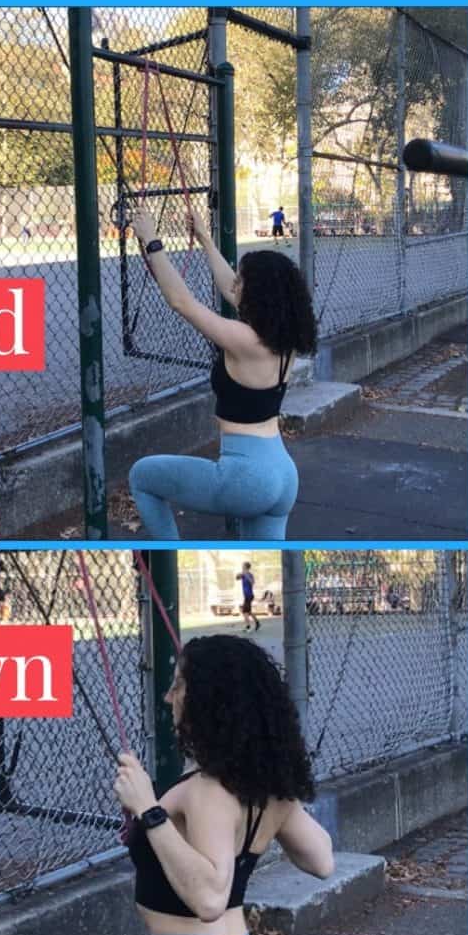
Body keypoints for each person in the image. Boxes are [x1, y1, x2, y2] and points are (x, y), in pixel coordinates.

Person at [5, 634, 334, 935]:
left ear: (210, 700)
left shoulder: (207, 791)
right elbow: (321, 859)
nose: (168, 696)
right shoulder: (264, 789)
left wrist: (149, 808)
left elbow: (210, 899)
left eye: (178, 684)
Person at [128, 205, 317, 540]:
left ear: (258, 294)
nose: (235, 284)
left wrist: (151, 241)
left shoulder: (244, 340)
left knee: (142, 476)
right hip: (282, 472)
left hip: (247, 475)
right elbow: (231, 288)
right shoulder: (282, 339)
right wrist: (205, 239)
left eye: (242, 280)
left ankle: (170, 560)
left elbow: (181, 302)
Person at [236, 561, 260, 631]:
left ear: (246, 567)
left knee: (244, 611)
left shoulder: (249, 574)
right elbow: (237, 578)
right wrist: (239, 575)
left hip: (249, 595)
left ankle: (248, 626)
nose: (242, 567)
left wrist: (246, 575)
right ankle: (257, 622)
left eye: (243, 566)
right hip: (246, 596)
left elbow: (252, 582)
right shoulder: (243, 574)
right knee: (248, 611)